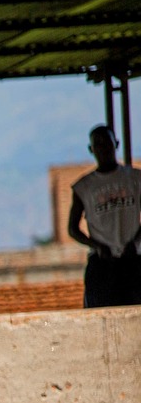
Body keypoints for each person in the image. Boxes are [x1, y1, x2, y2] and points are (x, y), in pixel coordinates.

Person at [67, 124, 141, 308]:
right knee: (99, 315)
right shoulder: (84, 187)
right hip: (102, 263)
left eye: (106, 143)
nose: (103, 148)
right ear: (91, 149)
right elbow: (72, 229)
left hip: (132, 259)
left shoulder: (134, 179)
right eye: (98, 144)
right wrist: (97, 246)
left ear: (115, 144)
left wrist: (135, 242)